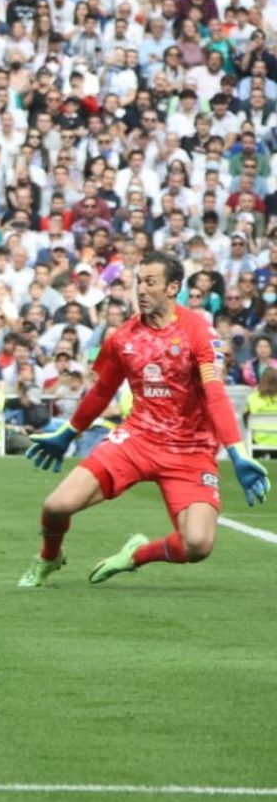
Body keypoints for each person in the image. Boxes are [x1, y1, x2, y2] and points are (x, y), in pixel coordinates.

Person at [19, 252, 270, 588]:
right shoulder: (123, 338)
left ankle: (135, 554)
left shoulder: (199, 332)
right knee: (56, 506)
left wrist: (237, 454)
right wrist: (68, 432)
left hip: (190, 450)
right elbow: (100, 393)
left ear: (173, 288)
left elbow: (215, 394)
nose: (141, 289)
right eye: (139, 281)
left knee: (197, 545)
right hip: (137, 440)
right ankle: (48, 557)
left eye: (150, 282)